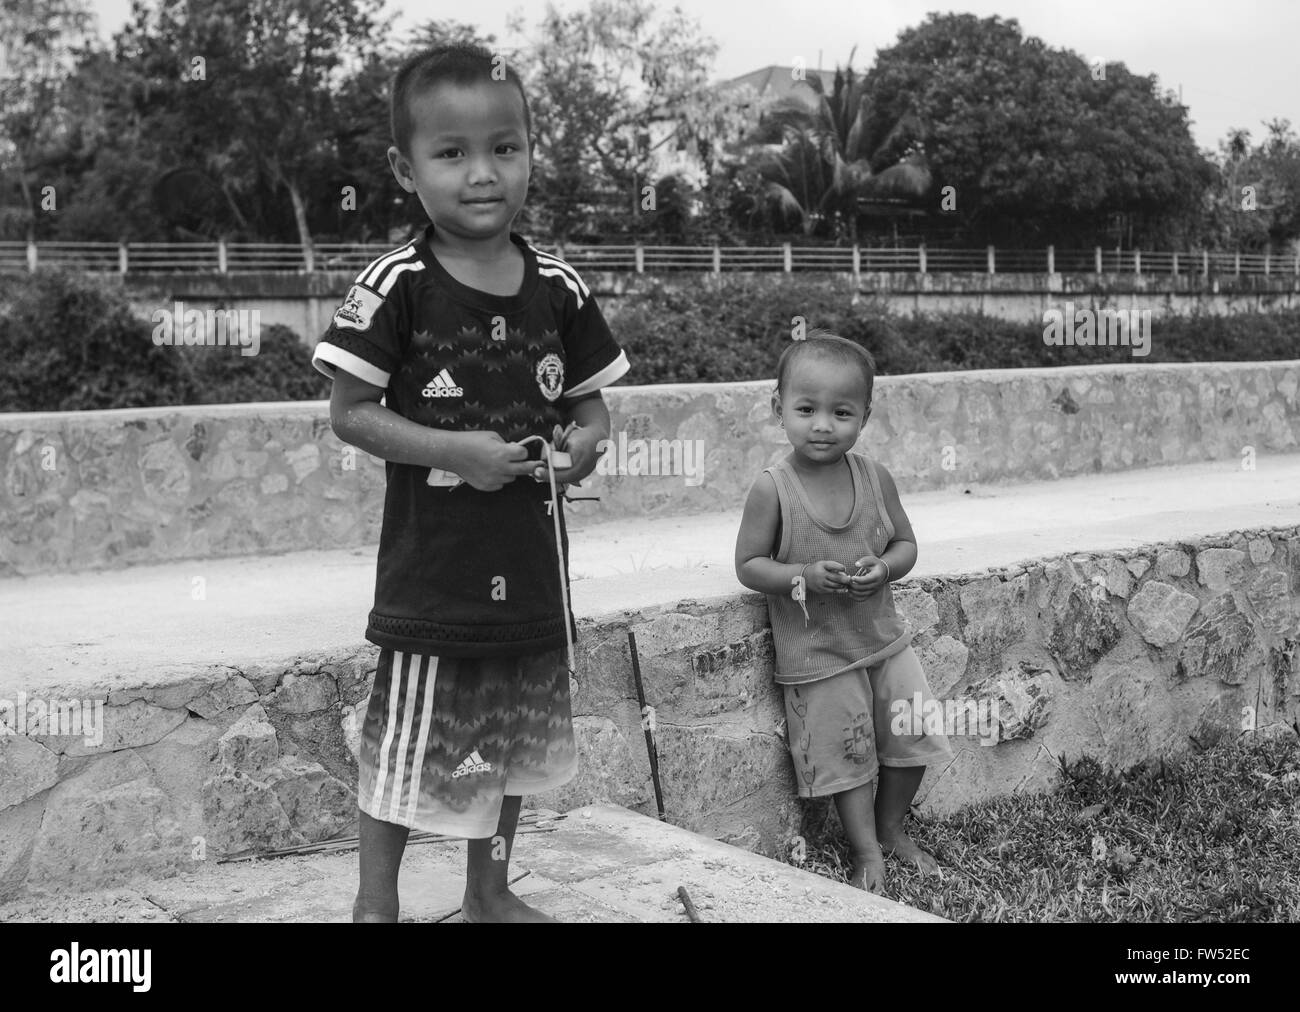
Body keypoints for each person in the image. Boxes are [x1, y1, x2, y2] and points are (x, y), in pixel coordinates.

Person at [312, 43, 629, 923]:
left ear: (531, 150)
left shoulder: (560, 288)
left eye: (505, 148)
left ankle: (488, 895)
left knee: (513, 750)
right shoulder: (396, 287)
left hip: (531, 576)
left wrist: (585, 448)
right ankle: (376, 906)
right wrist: (457, 453)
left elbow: (593, 412)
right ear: (404, 168)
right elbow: (350, 413)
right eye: (451, 153)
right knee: (408, 753)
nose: (482, 174)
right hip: (434, 579)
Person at [734, 332, 950, 892]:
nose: (822, 425)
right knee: (847, 754)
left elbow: (905, 544)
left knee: (912, 732)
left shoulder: (875, 478)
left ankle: (892, 828)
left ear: (865, 416)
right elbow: (750, 565)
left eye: (841, 412)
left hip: (882, 639)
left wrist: (886, 567)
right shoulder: (773, 489)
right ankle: (865, 852)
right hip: (818, 654)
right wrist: (800, 576)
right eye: (806, 410)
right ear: (777, 408)